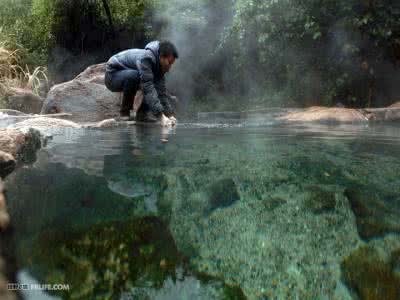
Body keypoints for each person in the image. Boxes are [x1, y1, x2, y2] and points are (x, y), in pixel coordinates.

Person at [105, 40, 178, 126]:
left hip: (125, 74)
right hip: (112, 76)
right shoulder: (146, 59)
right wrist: (161, 117)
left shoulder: (158, 66)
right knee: (137, 77)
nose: (169, 67)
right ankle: (124, 113)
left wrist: (169, 114)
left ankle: (142, 114)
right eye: (169, 63)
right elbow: (148, 88)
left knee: (151, 83)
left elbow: (161, 92)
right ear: (161, 57)